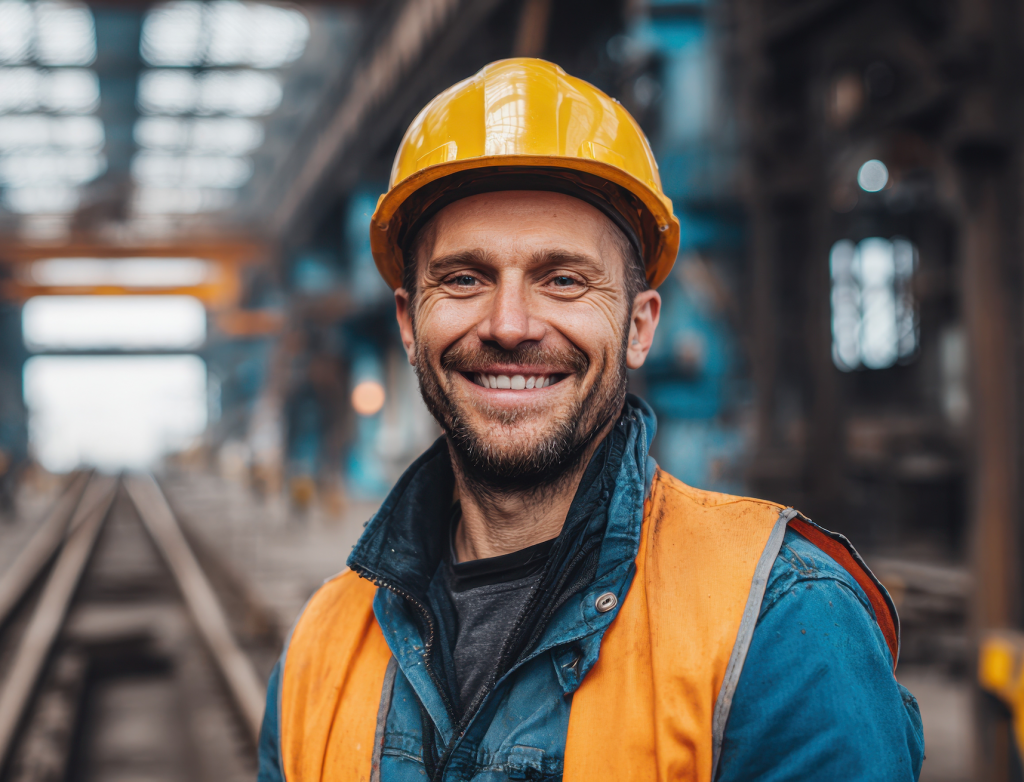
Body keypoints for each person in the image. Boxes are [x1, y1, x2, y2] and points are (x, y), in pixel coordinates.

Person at [257, 58, 924, 782]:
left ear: (640, 327)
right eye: (464, 278)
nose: (509, 325)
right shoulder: (321, 648)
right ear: (408, 322)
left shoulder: (782, 630)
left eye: (564, 280)